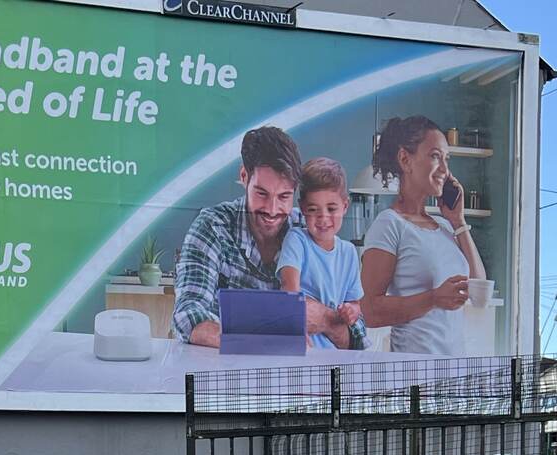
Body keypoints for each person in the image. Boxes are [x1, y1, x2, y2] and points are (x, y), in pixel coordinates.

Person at [172, 126, 364, 350]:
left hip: (302, 377)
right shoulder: (213, 227)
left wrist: (327, 320)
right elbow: (187, 315)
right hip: (228, 375)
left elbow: (357, 335)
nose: (272, 209)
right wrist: (267, 340)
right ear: (244, 177)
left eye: (284, 196)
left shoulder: (310, 228)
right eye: (262, 194)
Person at [359, 115, 487, 356]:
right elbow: (369, 310)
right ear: (405, 159)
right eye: (435, 156)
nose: (445, 171)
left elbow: (479, 290)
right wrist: (434, 299)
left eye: (446, 159)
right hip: (413, 375)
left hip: (452, 372)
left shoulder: (446, 226)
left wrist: (459, 221)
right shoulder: (389, 224)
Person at [277, 158, 363, 351]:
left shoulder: (348, 252)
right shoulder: (297, 239)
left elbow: (355, 303)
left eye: (331, 209)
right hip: (301, 348)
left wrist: (351, 311)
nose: (323, 218)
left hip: (333, 353)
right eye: (313, 209)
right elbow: (289, 287)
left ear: (345, 206)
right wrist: (295, 325)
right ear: (302, 208)